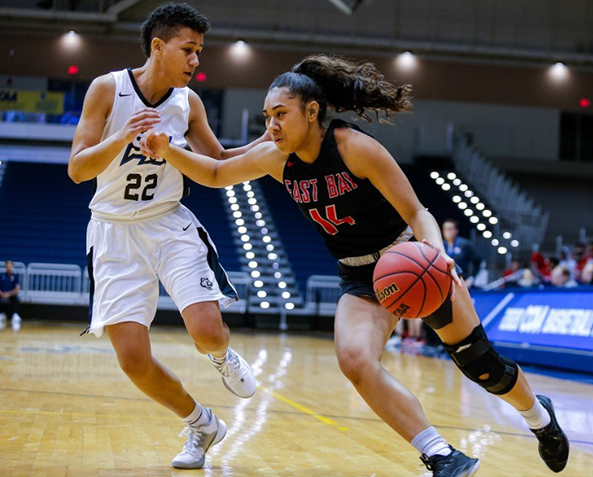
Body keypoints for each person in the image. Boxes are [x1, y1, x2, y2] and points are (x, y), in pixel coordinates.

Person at [141, 54, 569, 476]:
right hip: (360, 277)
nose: (270, 125)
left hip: (408, 260)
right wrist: (168, 151)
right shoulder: (275, 156)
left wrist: (439, 255)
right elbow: (216, 172)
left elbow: (419, 213)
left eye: (280, 114)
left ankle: (540, 418)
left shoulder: (356, 149)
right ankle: (441, 455)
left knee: (481, 365)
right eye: (266, 116)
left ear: (312, 112)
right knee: (354, 359)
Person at [67, 3, 265, 469]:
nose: (197, 61)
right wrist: (121, 139)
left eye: (200, 51)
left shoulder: (187, 103)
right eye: (189, 50)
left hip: (168, 221)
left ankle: (222, 358)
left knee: (207, 332)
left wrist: (275, 143)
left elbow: (219, 161)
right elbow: (77, 170)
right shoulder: (107, 89)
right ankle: (201, 425)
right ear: (159, 46)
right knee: (133, 359)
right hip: (114, 231)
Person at [441, 219, 482, 288]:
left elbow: (478, 261)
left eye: (450, 229)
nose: (448, 232)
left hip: (461, 283)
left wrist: (471, 278)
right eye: (446, 229)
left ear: (456, 230)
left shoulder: (465, 245)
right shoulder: (440, 246)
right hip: (444, 283)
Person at [0, 260, 22, 327]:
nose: (8, 267)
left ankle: (15, 315)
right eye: (7, 265)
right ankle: (1, 314)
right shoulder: (2, 275)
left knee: (16, 299)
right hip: (2, 294)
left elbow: (17, 288)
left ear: (12, 266)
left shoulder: (15, 276)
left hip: (11, 294)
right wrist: (1, 294)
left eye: (10, 266)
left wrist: (9, 294)